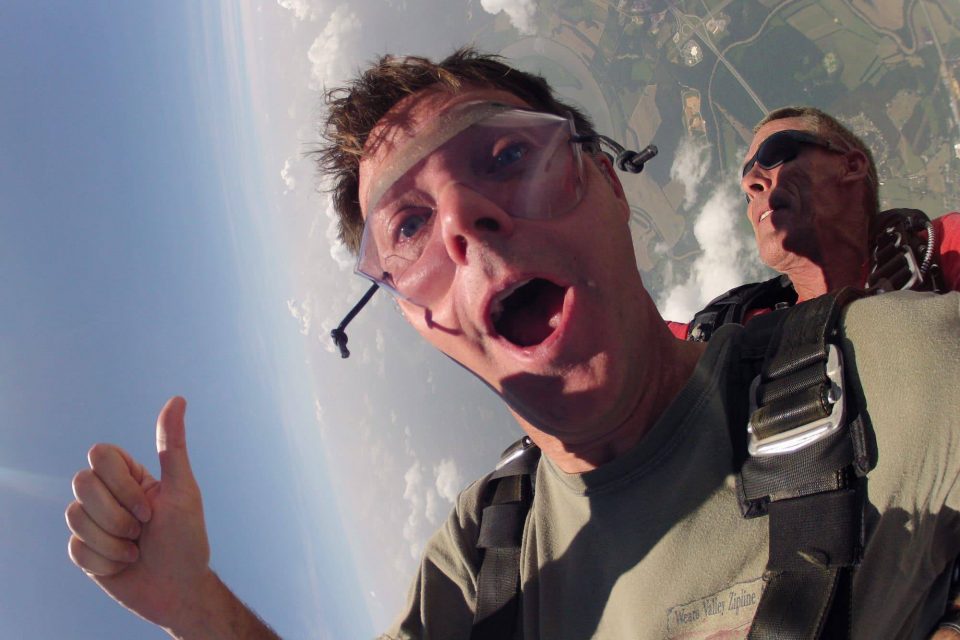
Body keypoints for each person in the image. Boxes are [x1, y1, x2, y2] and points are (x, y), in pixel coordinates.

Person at [65, 48, 960, 639]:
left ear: (609, 183)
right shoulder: (481, 557)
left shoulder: (899, 379)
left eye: (504, 157)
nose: (467, 225)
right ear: (421, 320)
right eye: (408, 230)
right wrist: (195, 605)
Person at [667, 106, 960, 341]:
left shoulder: (944, 251)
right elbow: (632, 335)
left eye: (774, 153)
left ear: (851, 166)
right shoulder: (735, 329)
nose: (748, 181)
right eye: (746, 173)